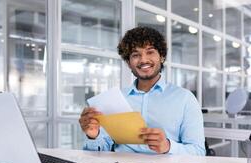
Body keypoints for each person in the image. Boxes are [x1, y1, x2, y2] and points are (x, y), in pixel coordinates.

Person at [79, 26, 205, 155]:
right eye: (136, 55)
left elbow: (199, 152)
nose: (143, 60)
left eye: (150, 52)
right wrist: (93, 136)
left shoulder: (185, 99)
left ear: (161, 57)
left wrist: (167, 146)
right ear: (129, 63)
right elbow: (100, 151)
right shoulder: (117, 99)